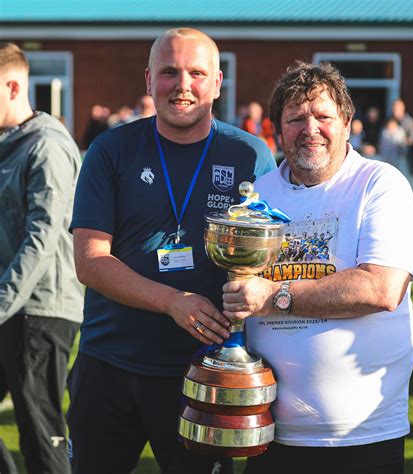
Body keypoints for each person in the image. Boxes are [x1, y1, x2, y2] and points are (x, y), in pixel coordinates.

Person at [67, 27, 276, 474]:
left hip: (204, 372)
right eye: (169, 72)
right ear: (148, 81)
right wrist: (172, 302)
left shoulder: (249, 154)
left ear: (217, 83)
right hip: (109, 364)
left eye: (196, 73)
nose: (182, 85)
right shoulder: (111, 150)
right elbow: (89, 260)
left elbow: (273, 253)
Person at [222, 61, 413, 474]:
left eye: (323, 116)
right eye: (295, 118)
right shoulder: (258, 195)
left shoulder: (379, 184)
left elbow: (381, 289)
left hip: (362, 435)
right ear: (278, 130)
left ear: (346, 123)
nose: (310, 128)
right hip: (269, 433)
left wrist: (273, 296)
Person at [0, 42, 83, 473]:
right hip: (11, 309)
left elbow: (42, 238)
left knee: (40, 435)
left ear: (13, 85)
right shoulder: (8, 144)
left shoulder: (46, 146)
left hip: (40, 312)